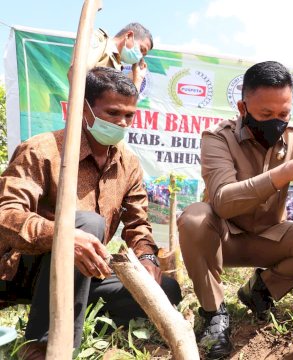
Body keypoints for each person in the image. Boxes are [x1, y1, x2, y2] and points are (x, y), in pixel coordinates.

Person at [0, 67, 182, 360]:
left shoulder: (128, 163)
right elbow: (5, 215)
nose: (122, 123)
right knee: (87, 222)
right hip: (24, 270)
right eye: (113, 113)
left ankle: (79, 315)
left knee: (166, 291)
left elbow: (138, 224)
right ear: (84, 109)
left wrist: (147, 260)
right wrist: (61, 236)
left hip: (83, 273)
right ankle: (43, 346)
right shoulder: (42, 150)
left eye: (129, 116)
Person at [178, 61, 293, 359]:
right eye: (265, 114)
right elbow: (223, 201)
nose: (275, 122)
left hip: (268, 237)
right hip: (220, 240)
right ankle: (213, 313)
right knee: (194, 218)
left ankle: (261, 288)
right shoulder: (218, 138)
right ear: (242, 107)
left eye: (283, 114)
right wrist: (285, 173)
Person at [71, 22, 153, 91]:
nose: (140, 57)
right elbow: (77, 74)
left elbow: (123, 106)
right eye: (141, 49)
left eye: (143, 55)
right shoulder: (100, 41)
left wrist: (138, 79)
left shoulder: (117, 66)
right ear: (128, 36)